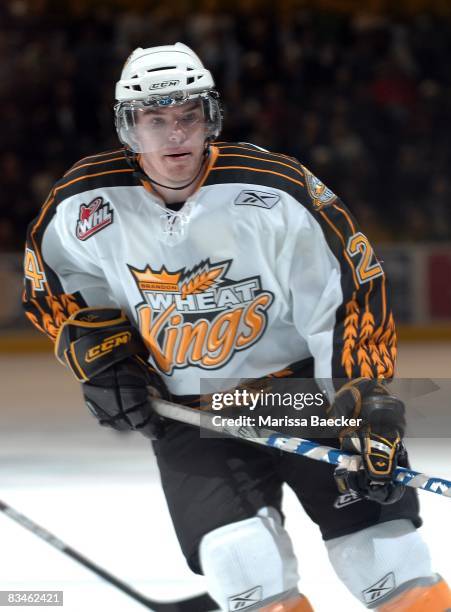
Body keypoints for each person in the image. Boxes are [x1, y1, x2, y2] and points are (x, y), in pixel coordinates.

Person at [23, 43, 450, 611]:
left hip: (300, 395)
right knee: (242, 568)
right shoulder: (85, 201)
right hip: (190, 407)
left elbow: (346, 295)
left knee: (384, 557)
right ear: (128, 127)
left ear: (210, 119)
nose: (175, 135)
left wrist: (364, 405)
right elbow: (54, 279)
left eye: (188, 117)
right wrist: (103, 357)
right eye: (156, 120)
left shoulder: (275, 190)